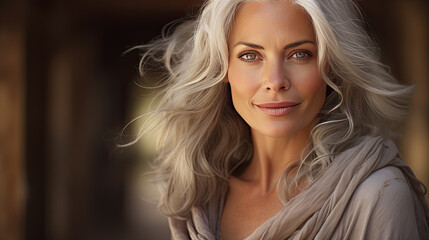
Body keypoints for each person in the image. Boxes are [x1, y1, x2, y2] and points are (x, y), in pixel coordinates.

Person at [131, 0, 429, 239]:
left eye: (300, 54)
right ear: (223, 69)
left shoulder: (378, 195)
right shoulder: (201, 196)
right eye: (250, 56)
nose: (275, 81)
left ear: (332, 67)